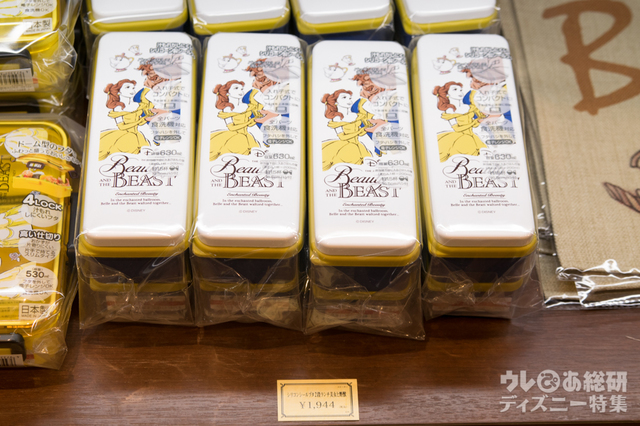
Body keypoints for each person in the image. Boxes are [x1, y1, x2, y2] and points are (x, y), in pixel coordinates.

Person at [210, 80, 275, 161]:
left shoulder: (246, 106)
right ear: (227, 92)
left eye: (241, 89)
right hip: (234, 136)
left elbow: (250, 124)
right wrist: (248, 122)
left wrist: (255, 120)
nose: (240, 91)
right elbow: (231, 128)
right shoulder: (227, 109)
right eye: (236, 88)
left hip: (247, 136)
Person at [321, 89, 377, 171]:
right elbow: (342, 137)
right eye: (344, 97)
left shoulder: (356, 115)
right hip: (345, 146)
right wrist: (359, 131)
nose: (349, 100)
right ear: (336, 102)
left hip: (358, 145)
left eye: (350, 98)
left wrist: (366, 129)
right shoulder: (337, 118)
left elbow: (361, 134)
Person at [99, 79, 155, 161]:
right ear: (119, 91)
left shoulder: (137, 105)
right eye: (127, 87)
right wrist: (139, 121)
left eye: (133, 88)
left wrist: (146, 118)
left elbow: (141, 123)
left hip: (137, 135)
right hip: (125, 135)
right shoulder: (118, 108)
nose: (132, 90)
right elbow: (121, 127)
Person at [433, 82, 487, 162]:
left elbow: (475, 125)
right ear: (447, 94)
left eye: (460, 90)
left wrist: (479, 120)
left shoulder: (468, 107)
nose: (460, 92)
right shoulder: (450, 110)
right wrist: (473, 123)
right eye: (455, 89)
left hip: (472, 135)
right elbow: (457, 129)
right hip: (461, 137)